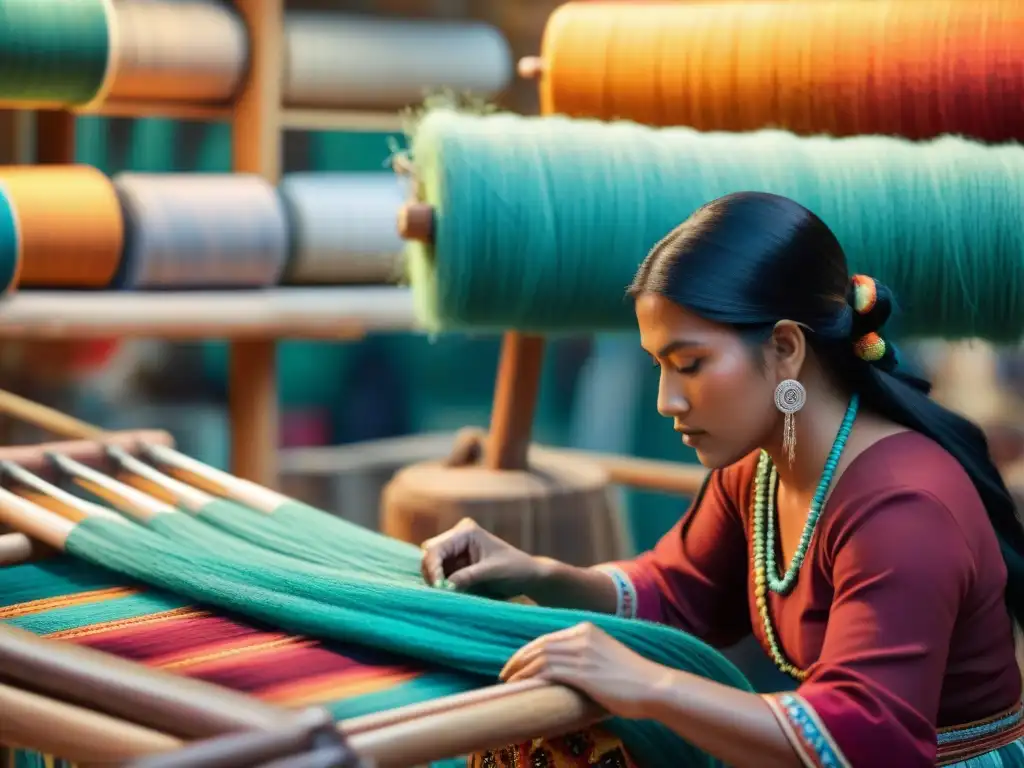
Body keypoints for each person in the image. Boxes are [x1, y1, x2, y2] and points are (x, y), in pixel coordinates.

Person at [421, 192, 1024, 768]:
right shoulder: (761, 470)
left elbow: (860, 742)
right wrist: (539, 574)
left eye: (689, 365)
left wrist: (647, 685)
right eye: (660, 366)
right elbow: (677, 593)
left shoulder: (902, 509)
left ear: (785, 348)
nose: (667, 400)